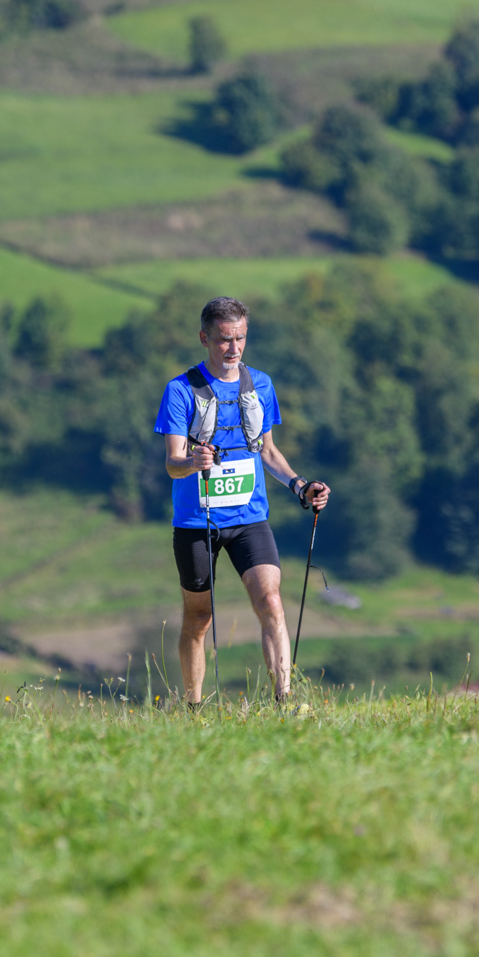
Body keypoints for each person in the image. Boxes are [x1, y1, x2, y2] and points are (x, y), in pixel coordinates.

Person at [156, 296, 330, 707]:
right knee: (199, 618)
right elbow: (172, 464)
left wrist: (300, 486)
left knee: (271, 600)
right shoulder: (180, 390)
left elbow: (267, 451)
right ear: (205, 339)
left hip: (250, 518)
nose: (233, 348)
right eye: (223, 339)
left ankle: (284, 701)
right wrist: (193, 462)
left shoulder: (261, 385)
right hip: (197, 522)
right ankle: (193, 708)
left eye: (240, 338)